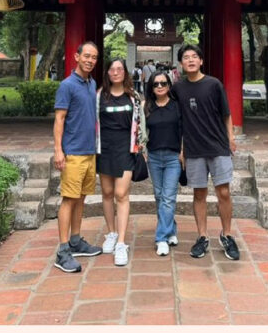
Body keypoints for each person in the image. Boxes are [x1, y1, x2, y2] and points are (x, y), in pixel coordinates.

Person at [171, 44, 240, 261]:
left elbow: (226, 114)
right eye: (186, 57)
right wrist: (181, 148)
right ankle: (202, 236)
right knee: (199, 194)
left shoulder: (214, 84)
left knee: (224, 193)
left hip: (218, 146)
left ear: (201, 61)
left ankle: (227, 235)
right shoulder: (178, 88)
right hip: (193, 149)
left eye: (194, 56)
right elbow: (177, 120)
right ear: (181, 63)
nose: (190, 60)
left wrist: (230, 138)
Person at [52, 41, 103, 273]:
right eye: (87, 56)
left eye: (94, 57)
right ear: (76, 56)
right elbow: (60, 118)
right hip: (72, 152)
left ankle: (75, 240)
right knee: (69, 199)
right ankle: (62, 251)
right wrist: (58, 150)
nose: (90, 60)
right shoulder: (67, 85)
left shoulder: (91, 84)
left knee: (81, 198)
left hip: (89, 151)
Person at [96, 58, 147, 267]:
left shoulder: (133, 97)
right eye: (112, 69)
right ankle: (111, 233)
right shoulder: (99, 96)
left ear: (125, 73)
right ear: (107, 73)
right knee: (107, 193)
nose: (116, 72)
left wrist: (141, 144)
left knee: (121, 194)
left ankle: (122, 243)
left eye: (120, 69)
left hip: (126, 149)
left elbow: (140, 122)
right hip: (104, 149)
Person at [144, 70, 182, 256]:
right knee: (159, 196)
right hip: (153, 156)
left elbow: (184, 130)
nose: (159, 86)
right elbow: (140, 132)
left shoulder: (177, 106)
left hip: (173, 157)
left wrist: (183, 152)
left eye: (163, 83)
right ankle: (171, 229)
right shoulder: (147, 107)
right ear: (151, 87)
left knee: (168, 197)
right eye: (155, 84)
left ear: (169, 85)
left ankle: (161, 238)